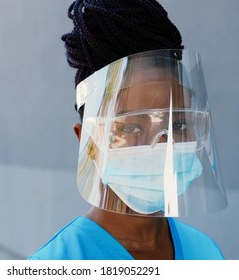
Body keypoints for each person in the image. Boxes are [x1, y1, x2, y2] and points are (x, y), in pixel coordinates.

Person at [29, 0, 228, 260]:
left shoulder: (206, 252)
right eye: (132, 126)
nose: (164, 144)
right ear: (88, 141)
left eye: (178, 124)